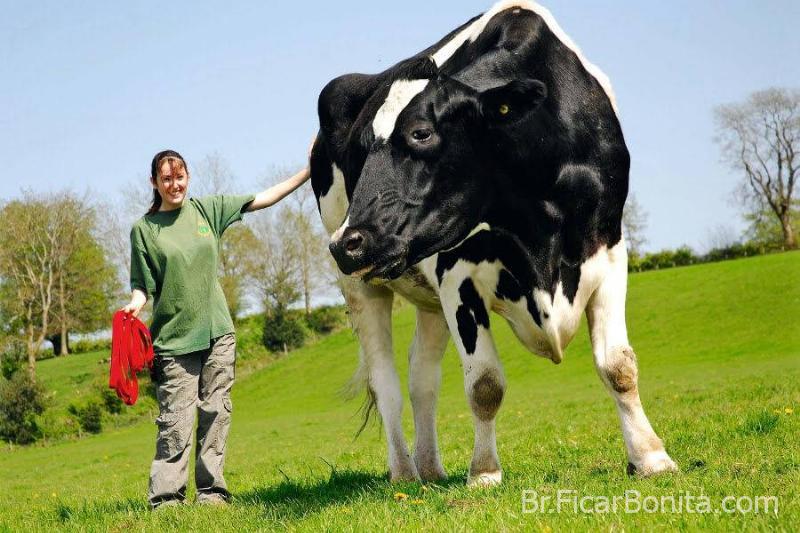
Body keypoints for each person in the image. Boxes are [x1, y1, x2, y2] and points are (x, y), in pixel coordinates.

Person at [122, 148, 310, 508]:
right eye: (166, 179)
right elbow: (142, 285)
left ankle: (211, 493)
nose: (174, 184)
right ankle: (166, 499)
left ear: (187, 177)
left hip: (218, 332)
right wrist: (135, 304)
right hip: (174, 341)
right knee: (175, 422)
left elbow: (262, 198)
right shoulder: (144, 230)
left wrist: (307, 172)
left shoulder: (206, 210)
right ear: (154, 183)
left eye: (179, 177)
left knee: (216, 412)